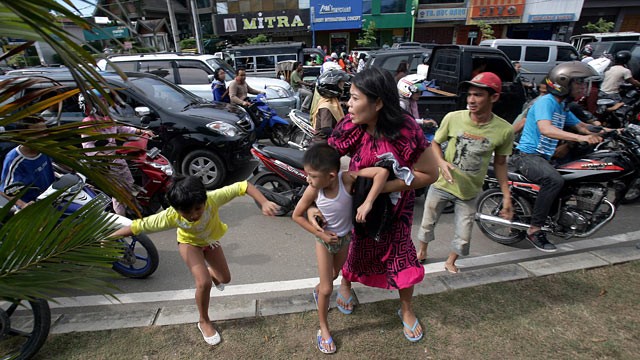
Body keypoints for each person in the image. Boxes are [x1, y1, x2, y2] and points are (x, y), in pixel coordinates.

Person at [308, 67, 439, 342]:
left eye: (355, 98)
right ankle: (345, 284)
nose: (348, 105)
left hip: (394, 212)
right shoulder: (351, 125)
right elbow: (322, 165)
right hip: (356, 206)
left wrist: (383, 190)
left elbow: (430, 174)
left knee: (401, 258)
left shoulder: (406, 130)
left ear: (378, 102)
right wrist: (311, 203)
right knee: (353, 249)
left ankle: (405, 309)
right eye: (349, 98)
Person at [111, 175, 279, 346]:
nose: (194, 215)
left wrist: (264, 202)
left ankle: (208, 275)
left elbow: (243, 185)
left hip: (210, 241)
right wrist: (110, 236)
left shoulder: (213, 199)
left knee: (224, 279)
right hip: (189, 244)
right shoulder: (169, 216)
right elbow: (137, 226)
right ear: (176, 209)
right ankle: (204, 321)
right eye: (186, 212)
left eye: (198, 209)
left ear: (205, 200)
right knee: (203, 283)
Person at [292, 143, 389, 354]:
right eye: (307, 174)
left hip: (345, 239)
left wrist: (368, 202)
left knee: (335, 275)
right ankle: (324, 329)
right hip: (324, 242)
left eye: (313, 175)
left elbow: (381, 173)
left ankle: (319, 290)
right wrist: (320, 234)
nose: (308, 179)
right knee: (328, 288)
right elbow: (296, 215)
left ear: (331, 175)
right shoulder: (313, 189)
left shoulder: (346, 179)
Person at [416, 72, 514, 272]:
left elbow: (501, 164)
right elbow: (435, 143)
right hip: (442, 184)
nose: (471, 100)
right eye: (469, 94)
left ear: (493, 97)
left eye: (478, 95)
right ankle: (422, 251)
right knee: (427, 222)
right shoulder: (453, 118)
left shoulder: (504, 130)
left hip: (469, 191)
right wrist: (441, 162)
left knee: (465, 232)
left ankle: (451, 261)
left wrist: (506, 196)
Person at [512, 61, 605, 252]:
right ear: (564, 83)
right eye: (578, 83)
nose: (582, 87)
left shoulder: (563, 107)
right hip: (528, 156)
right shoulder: (546, 102)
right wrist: (581, 138)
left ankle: (557, 217)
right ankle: (534, 230)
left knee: (574, 176)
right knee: (554, 180)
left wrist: (615, 131)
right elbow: (546, 129)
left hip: (545, 157)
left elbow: (582, 126)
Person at [80, 89, 154, 216]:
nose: (106, 106)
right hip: (105, 165)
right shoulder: (88, 125)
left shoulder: (107, 120)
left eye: (105, 102)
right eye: (102, 102)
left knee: (130, 185)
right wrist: (104, 156)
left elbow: (123, 129)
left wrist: (141, 132)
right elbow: (88, 148)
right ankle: (122, 220)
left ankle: (136, 210)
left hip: (118, 160)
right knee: (119, 194)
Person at [1, 116, 54, 206]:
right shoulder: (14, 159)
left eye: (45, 131)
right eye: (38, 133)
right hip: (32, 207)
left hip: (50, 199)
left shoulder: (45, 149)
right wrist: (23, 205)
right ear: (24, 134)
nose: (44, 135)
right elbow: (5, 190)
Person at [310, 68, 349, 141]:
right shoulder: (326, 107)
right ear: (333, 87)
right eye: (341, 85)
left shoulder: (332, 102)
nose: (343, 88)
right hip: (323, 143)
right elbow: (326, 129)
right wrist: (342, 134)